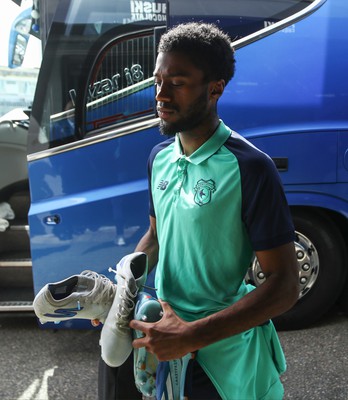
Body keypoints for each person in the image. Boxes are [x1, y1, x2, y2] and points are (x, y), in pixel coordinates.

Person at [99, 22, 299, 399]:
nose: (160, 95)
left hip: (224, 358)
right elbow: (157, 237)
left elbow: (285, 286)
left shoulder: (250, 167)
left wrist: (192, 335)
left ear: (215, 87)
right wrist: (118, 296)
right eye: (157, 81)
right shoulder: (159, 157)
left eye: (177, 82)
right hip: (166, 341)